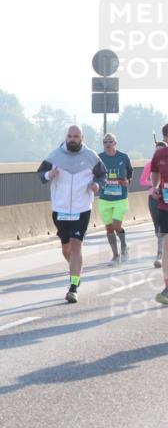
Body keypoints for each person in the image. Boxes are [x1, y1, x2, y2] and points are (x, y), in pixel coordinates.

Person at [36, 125, 107, 303]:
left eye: (76, 136)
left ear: (82, 138)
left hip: (81, 208)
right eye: (69, 136)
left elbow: (102, 176)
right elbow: (40, 174)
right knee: (66, 248)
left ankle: (73, 286)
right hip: (60, 208)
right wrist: (48, 175)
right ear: (66, 137)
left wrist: (97, 185)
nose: (72, 139)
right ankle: (76, 270)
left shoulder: (91, 156)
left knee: (76, 245)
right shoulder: (54, 156)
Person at [97, 133, 134, 262]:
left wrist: (128, 181)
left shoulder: (123, 157)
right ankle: (115, 255)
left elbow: (130, 171)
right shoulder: (99, 158)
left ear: (115, 143)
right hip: (104, 198)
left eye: (110, 141)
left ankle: (124, 245)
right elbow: (94, 173)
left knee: (116, 226)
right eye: (105, 142)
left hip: (120, 198)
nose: (107, 144)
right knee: (108, 228)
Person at [149, 123, 168, 304]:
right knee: (166, 247)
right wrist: (154, 187)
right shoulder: (160, 154)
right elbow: (154, 172)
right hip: (165, 206)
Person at [141, 140, 167, 268]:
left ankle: (161, 255)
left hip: (165, 197)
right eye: (157, 150)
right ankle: (160, 254)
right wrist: (153, 186)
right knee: (159, 228)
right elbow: (142, 180)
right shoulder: (149, 164)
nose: (159, 152)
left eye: (161, 149)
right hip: (155, 197)